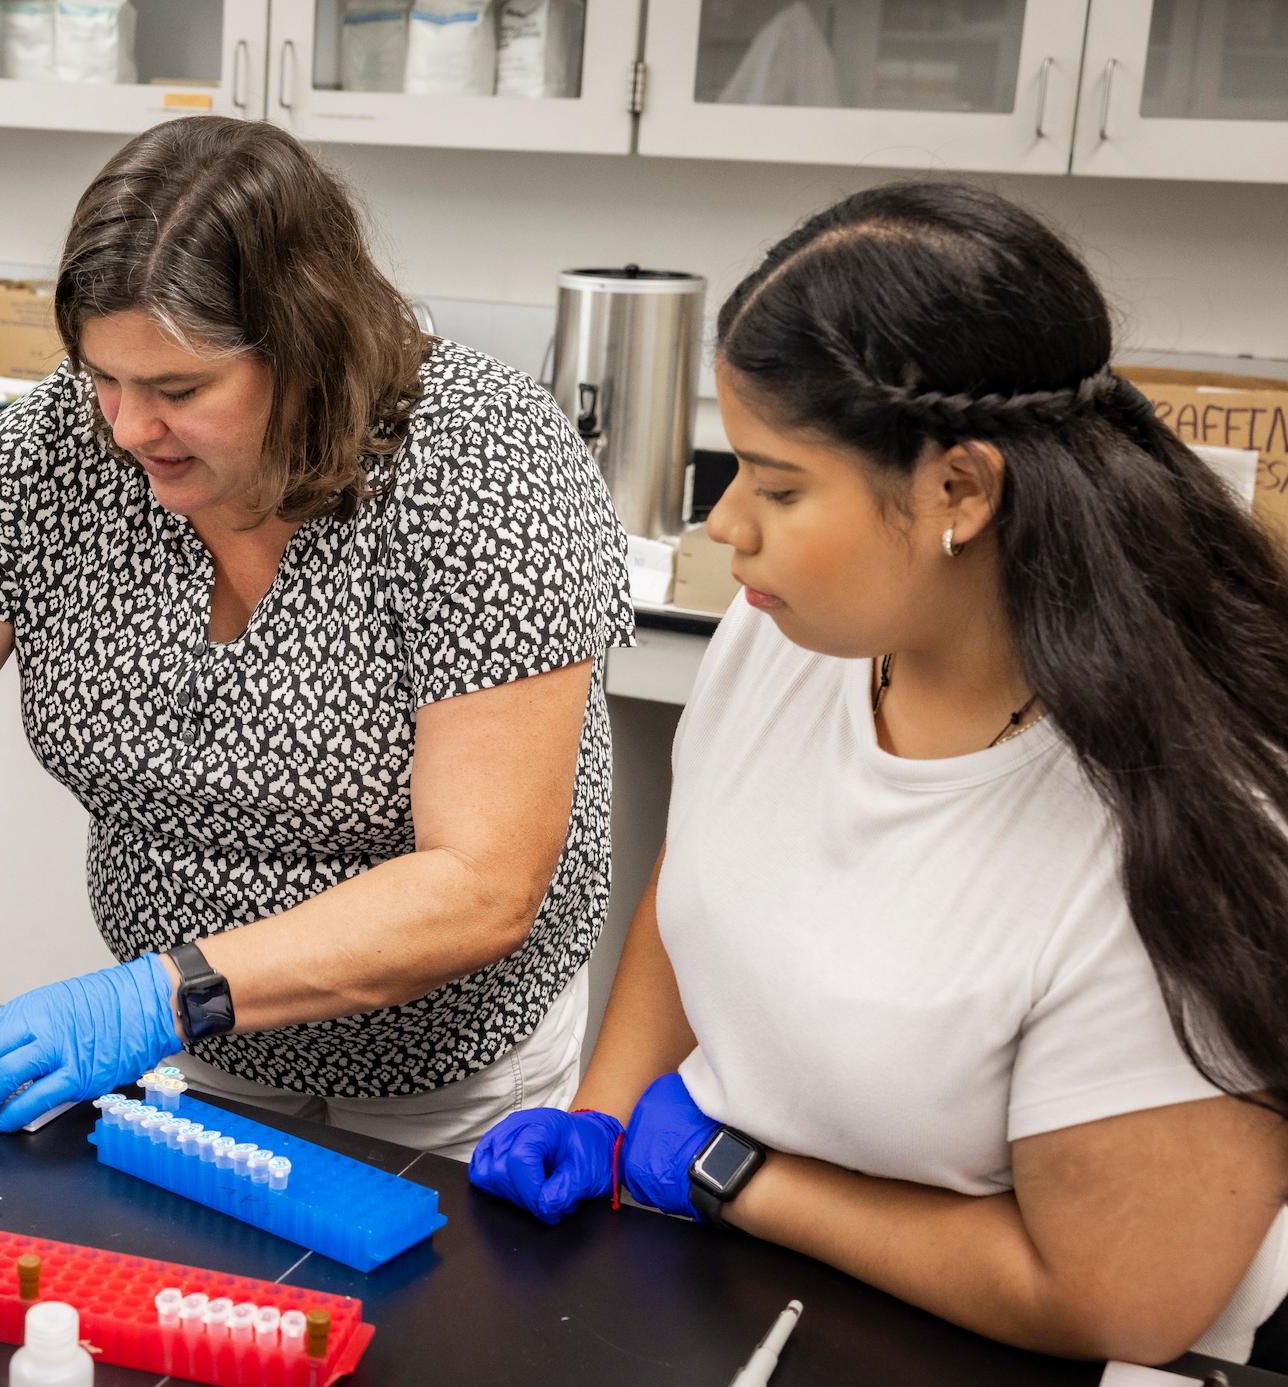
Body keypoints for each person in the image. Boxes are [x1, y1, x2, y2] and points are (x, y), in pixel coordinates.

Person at [468, 182, 1288, 1364]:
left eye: (778, 484)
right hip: (732, 1294)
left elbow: (1115, 1298)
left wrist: (726, 1171)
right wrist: (602, 1116)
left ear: (961, 488)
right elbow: (699, 876)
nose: (725, 525)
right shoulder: (787, 637)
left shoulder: (1183, 817)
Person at [0, 116, 633, 1157]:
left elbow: (480, 879)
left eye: (178, 391)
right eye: (102, 376)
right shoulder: (60, 448)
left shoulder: (480, 462)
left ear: (305, 348)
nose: (123, 427)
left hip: (447, 1079)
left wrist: (162, 993)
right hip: (205, 1054)